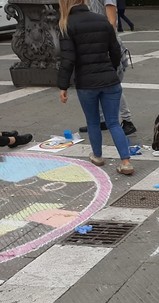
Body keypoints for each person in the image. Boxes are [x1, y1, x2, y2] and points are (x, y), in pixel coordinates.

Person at [58, 0, 134, 175]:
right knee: (114, 122)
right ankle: (126, 161)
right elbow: (115, 50)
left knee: (93, 121)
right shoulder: (101, 20)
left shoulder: (66, 24)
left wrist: (63, 86)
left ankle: (98, 156)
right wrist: (112, 69)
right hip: (109, 79)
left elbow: (68, 59)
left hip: (86, 82)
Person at [78, 0, 136, 136]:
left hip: (108, 47)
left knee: (114, 84)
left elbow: (112, 22)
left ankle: (127, 121)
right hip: (95, 46)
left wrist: (103, 44)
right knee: (99, 83)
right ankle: (101, 120)